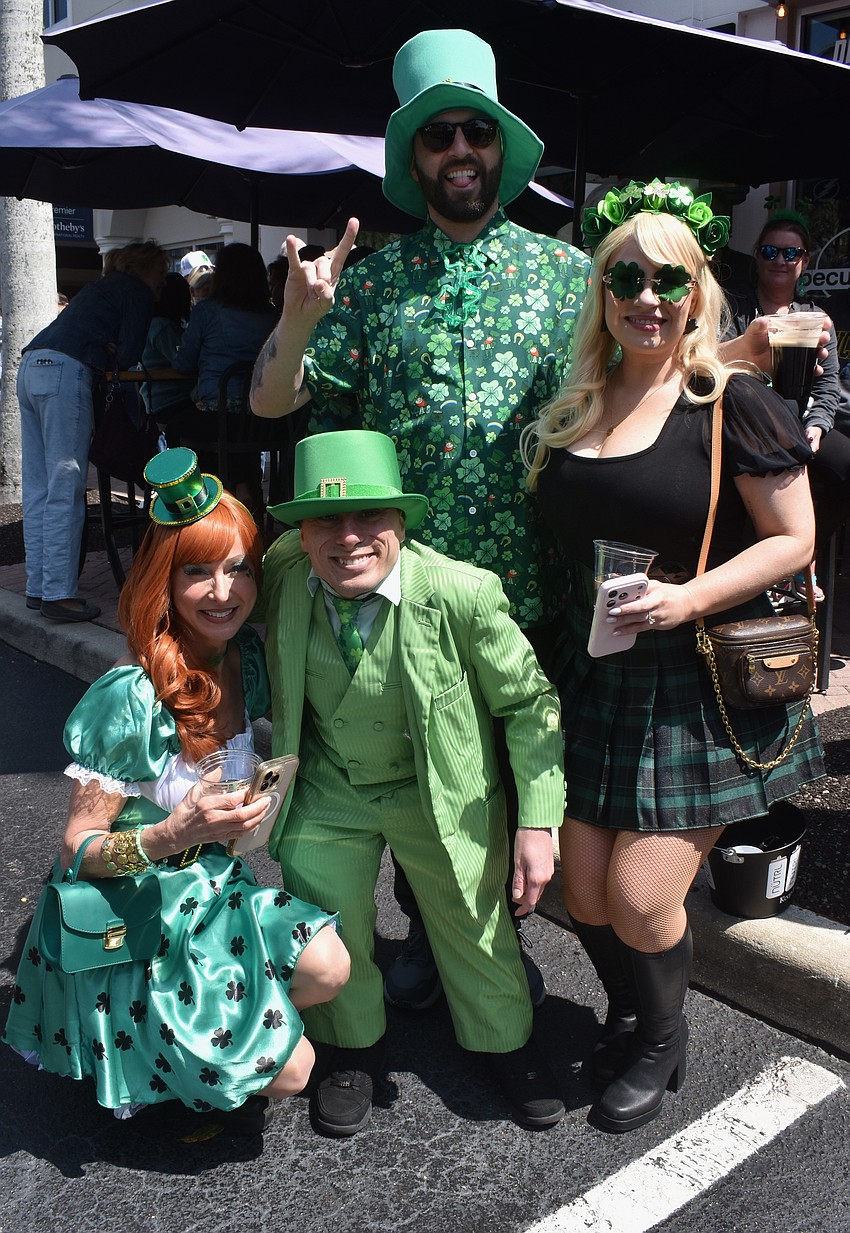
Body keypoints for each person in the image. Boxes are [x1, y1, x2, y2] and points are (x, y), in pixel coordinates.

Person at [250, 26, 592, 1012]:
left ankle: (487, 952)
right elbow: (274, 406)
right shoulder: (370, 284)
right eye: (438, 135)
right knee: (404, 772)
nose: (458, 152)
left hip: (526, 588)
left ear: (497, 149)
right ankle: (416, 932)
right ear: (415, 157)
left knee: (492, 777)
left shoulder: (565, 277)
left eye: (473, 133)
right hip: (395, 590)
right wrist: (304, 316)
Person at [522, 181, 824, 1134]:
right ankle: (630, 1009)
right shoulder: (574, 401)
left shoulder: (732, 401)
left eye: (667, 278)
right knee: (580, 886)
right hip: (595, 668)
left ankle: (662, 1034)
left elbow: (794, 539)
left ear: (696, 291)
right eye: (625, 277)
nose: (645, 297)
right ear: (602, 294)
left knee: (642, 894)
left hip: (692, 680)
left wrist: (685, 597)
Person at [3, 448, 349, 1136]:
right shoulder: (130, 696)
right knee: (293, 1069)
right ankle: (178, 1064)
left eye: (238, 567)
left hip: (213, 891)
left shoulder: (244, 658)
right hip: (135, 916)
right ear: (165, 579)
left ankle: (213, 1033)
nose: (223, 591)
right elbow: (77, 849)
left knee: (329, 964)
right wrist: (171, 835)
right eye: (197, 570)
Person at [260, 429, 566, 1137]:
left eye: (371, 516)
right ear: (301, 535)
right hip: (331, 784)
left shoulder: (462, 594)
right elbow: (207, 574)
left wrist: (537, 820)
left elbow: (530, 705)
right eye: (326, 520)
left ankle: (506, 1042)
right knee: (325, 903)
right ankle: (353, 1045)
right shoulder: (282, 570)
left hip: (440, 789)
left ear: (402, 522)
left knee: (471, 912)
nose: (349, 537)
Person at [17, 240, 168, 624]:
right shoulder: (136, 290)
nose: (164, 280)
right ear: (148, 268)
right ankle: (59, 595)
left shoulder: (101, 288)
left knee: (39, 487)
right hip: (68, 370)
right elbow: (131, 353)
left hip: (31, 363)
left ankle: (39, 587)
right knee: (66, 485)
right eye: (162, 272)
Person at [724, 209, 850, 600]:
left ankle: (800, 554)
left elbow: (829, 385)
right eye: (770, 251)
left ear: (805, 261)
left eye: (790, 254)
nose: (780, 261)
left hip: (799, 423)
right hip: (746, 420)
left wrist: (818, 424)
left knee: (844, 464)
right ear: (758, 257)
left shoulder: (815, 317)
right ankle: (778, 561)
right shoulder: (735, 309)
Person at [174, 243, 278, 511]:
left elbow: (184, 363)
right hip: (262, 419)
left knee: (180, 426)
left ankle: (210, 506)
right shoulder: (273, 316)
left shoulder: (207, 311)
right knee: (242, 439)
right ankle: (245, 492)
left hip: (216, 416)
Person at [140, 271, 195, 445]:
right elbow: (186, 362)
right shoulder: (162, 327)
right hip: (171, 402)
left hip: (164, 402)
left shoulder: (158, 325)